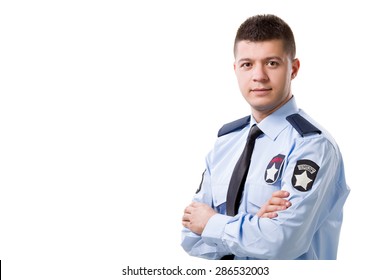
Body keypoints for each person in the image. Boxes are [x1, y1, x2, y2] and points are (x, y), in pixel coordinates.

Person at [181, 14, 350, 260]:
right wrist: (253, 225)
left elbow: (282, 242)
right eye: (247, 64)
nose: (258, 76)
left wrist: (214, 224)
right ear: (236, 69)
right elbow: (190, 236)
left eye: (271, 63)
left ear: (293, 69)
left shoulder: (312, 146)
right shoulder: (225, 144)